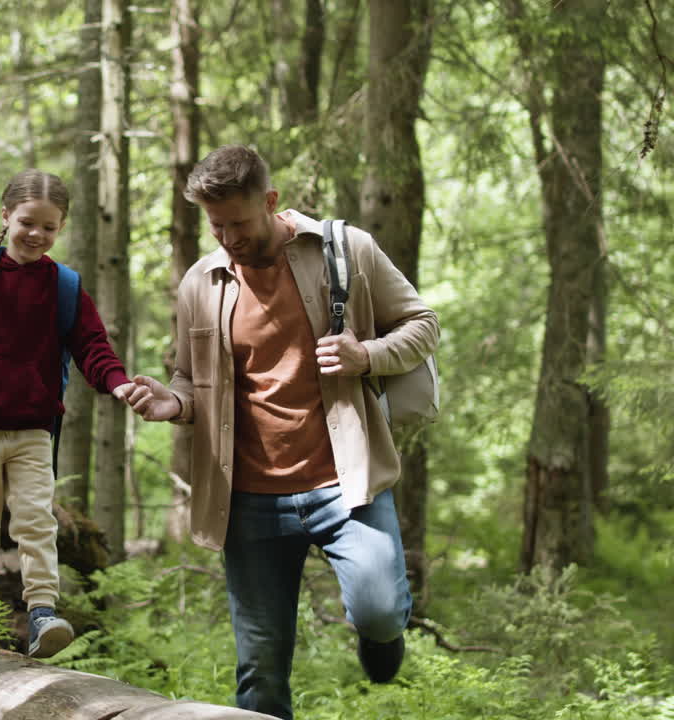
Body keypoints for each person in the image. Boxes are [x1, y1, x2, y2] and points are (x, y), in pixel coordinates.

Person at [120, 145, 438, 719]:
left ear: (270, 201)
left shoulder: (347, 251)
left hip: (345, 484)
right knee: (260, 674)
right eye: (216, 226)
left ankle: (382, 637)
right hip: (246, 500)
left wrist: (366, 354)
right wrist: (173, 402)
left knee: (380, 610)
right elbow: (190, 382)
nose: (229, 238)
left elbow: (423, 324)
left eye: (239, 223)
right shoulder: (201, 282)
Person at [0, 169, 135, 660]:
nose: (36, 234)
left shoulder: (63, 286)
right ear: (5, 217)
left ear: (60, 228)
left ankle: (41, 613)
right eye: (26, 223)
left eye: (48, 227)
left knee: (37, 522)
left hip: (33, 428)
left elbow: (92, 346)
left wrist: (118, 383)